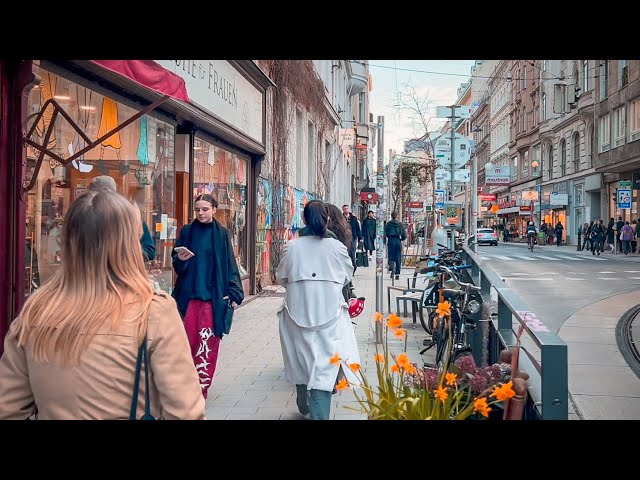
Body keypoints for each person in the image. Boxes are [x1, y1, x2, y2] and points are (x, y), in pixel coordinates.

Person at [0, 190, 205, 419]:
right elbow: (185, 412)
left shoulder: (36, 311)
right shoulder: (153, 312)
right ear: (128, 245)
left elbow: (8, 408)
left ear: (67, 242)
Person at [276, 200, 360, 420]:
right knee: (324, 364)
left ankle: (303, 399)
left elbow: (281, 276)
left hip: (297, 313)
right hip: (329, 314)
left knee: (300, 358)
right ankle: (318, 412)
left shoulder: (292, 247)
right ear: (328, 219)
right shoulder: (337, 248)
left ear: (303, 219)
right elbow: (347, 276)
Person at [171, 194, 244, 399]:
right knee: (187, 343)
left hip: (212, 298)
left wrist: (233, 292)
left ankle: (201, 388)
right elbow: (177, 264)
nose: (201, 213)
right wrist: (181, 259)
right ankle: (186, 385)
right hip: (189, 297)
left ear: (214, 209)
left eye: (204, 209)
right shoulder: (187, 231)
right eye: (197, 210)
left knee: (207, 344)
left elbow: (229, 262)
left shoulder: (221, 233)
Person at [88, 175, 156, 262]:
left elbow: (149, 251)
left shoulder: (129, 215)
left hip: (120, 271)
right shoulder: (83, 217)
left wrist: (125, 255)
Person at [384, 211, 406, 280]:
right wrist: (401, 239)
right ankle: (397, 274)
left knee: (391, 256)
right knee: (398, 257)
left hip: (391, 241)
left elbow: (386, 233)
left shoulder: (388, 224)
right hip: (398, 241)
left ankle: (392, 268)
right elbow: (404, 235)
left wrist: (389, 237)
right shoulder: (400, 224)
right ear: (397, 216)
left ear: (391, 216)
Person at [342, 204, 362, 272]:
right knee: (346, 252)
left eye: (347, 209)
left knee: (352, 252)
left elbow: (357, 228)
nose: (346, 210)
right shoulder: (341, 218)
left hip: (353, 237)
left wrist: (360, 238)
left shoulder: (353, 218)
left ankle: (353, 266)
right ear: (343, 210)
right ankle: (347, 267)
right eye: (344, 209)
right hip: (344, 237)